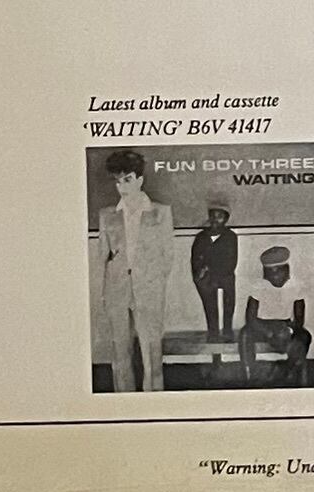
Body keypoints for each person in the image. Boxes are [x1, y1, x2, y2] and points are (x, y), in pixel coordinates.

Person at [98, 149, 174, 391]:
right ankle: (123, 400)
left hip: (149, 290)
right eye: (118, 181)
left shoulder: (161, 212)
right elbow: (103, 257)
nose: (122, 186)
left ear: (140, 179)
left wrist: (152, 282)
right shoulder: (107, 215)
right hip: (117, 290)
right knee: (119, 350)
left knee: (151, 349)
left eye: (128, 179)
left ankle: (154, 397)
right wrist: (109, 289)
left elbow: (167, 256)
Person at [240, 246, 311, 386]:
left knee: (305, 336)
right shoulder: (258, 286)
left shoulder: (296, 286)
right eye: (270, 274)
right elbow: (250, 318)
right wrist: (269, 333)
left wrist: (288, 330)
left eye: (279, 272)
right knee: (244, 334)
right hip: (262, 326)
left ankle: (288, 370)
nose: (275, 277)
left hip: (285, 325)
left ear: (287, 270)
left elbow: (299, 319)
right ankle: (249, 375)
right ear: (265, 274)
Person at [191, 204, 238, 343]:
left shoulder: (230, 236)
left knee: (229, 298)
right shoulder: (201, 237)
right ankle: (213, 332)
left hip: (224, 274)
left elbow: (231, 261)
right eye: (213, 216)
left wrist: (211, 268)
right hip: (207, 277)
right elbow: (195, 258)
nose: (215, 220)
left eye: (220, 217)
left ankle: (228, 330)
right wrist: (201, 272)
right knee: (209, 302)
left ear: (226, 219)